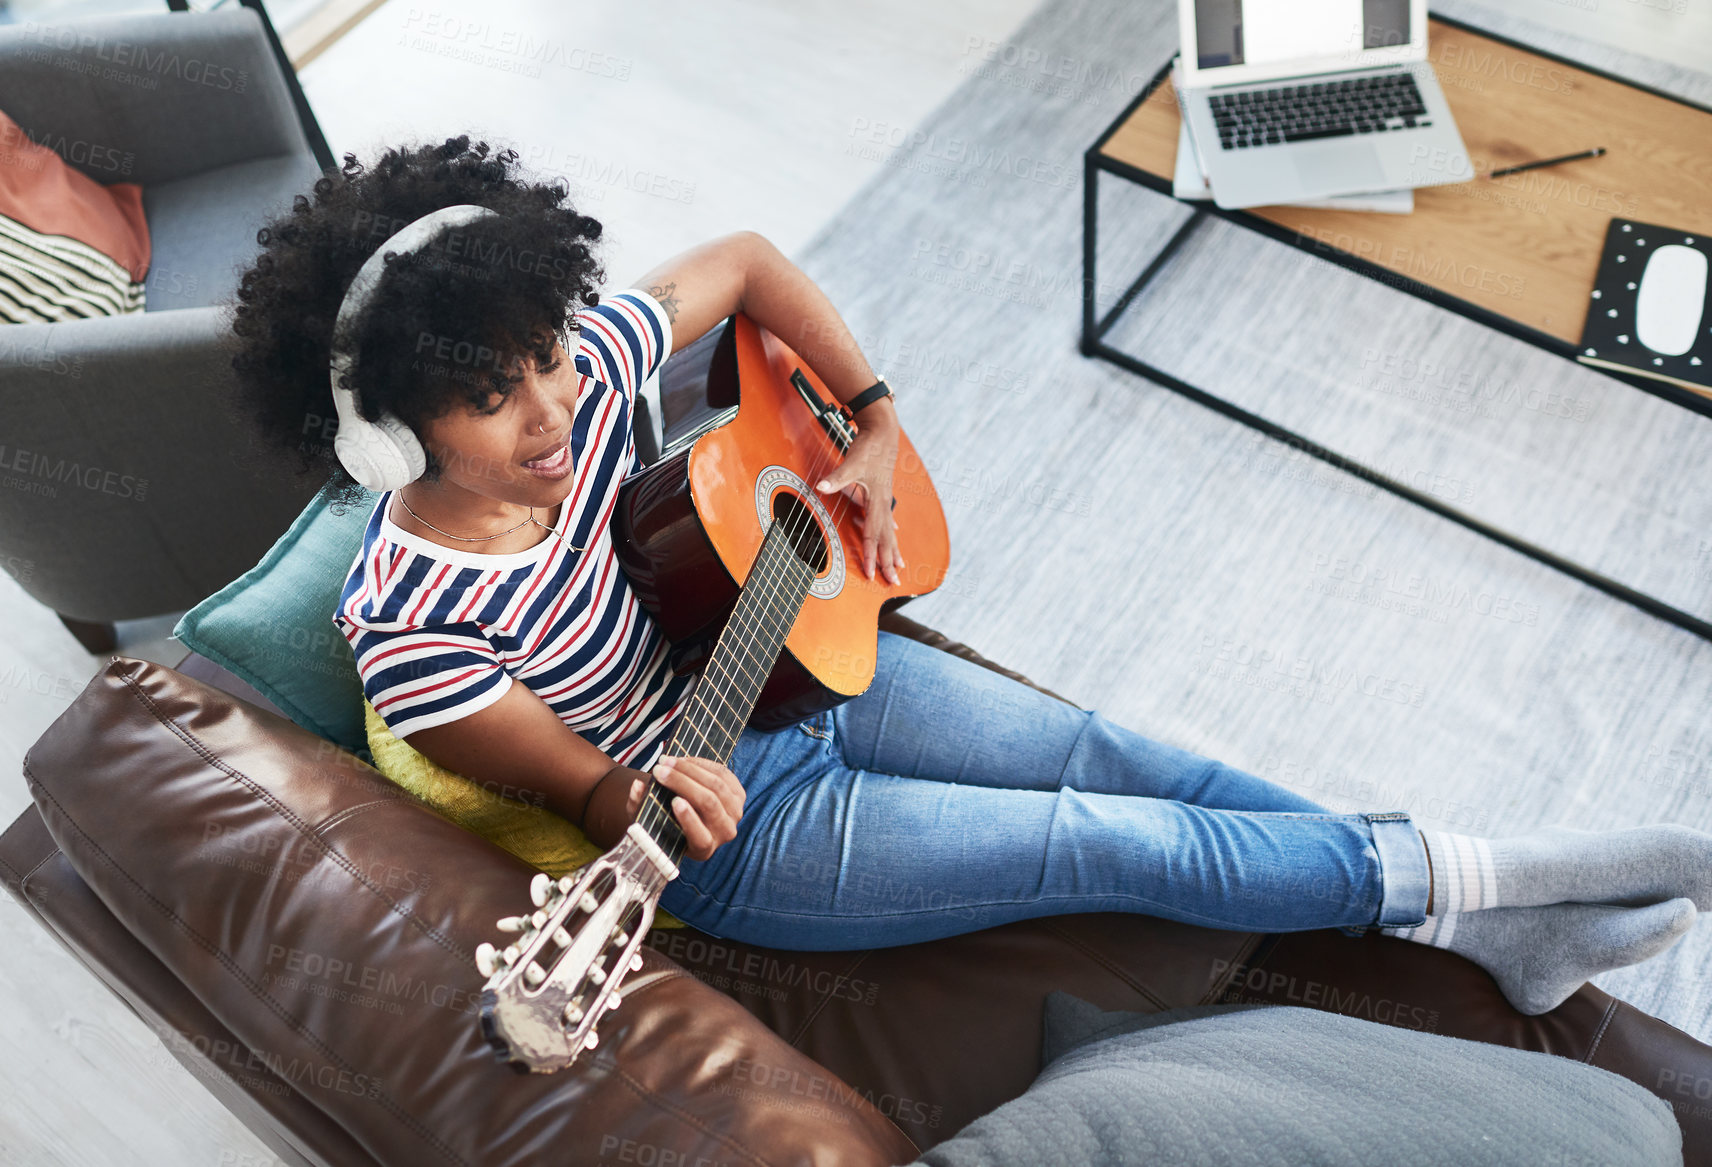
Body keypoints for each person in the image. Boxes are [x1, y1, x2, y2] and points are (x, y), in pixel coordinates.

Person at [234, 136, 1707, 1018]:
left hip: (785, 655)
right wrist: (661, 803)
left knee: (1119, 752)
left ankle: (1465, 917)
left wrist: (869, 422)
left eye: (549, 355)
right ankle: (1485, 877)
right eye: (493, 398)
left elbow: (743, 262)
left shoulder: (591, 370)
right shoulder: (414, 628)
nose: (554, 411)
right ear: (385, 432)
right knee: (1107, 836)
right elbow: (596, 796)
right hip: (740, 824)